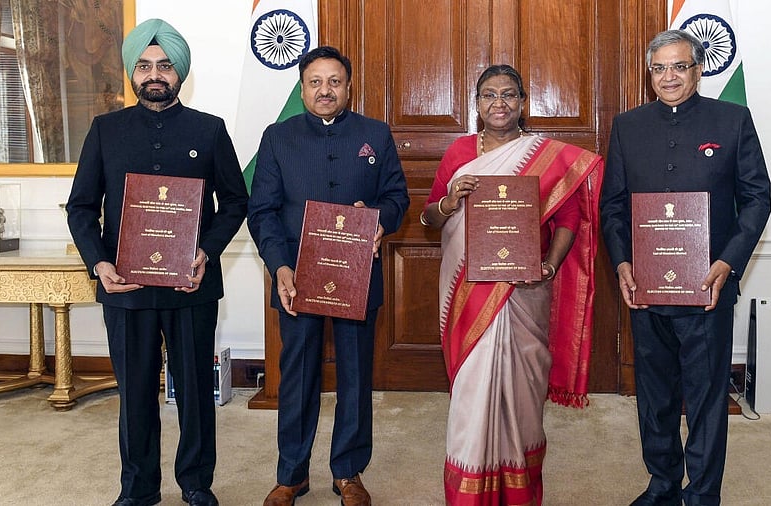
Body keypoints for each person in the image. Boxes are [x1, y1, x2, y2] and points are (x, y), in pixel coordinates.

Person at [66, 18, 248, 506]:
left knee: (194, 392)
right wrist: (99, 264)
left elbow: (234, 201)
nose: (154, 74)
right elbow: (82, 206)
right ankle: (138, 488)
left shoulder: (209, 131)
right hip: (125, 288)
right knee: (136, 396)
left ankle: (196, 484)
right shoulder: (105, 131)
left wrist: (206, 251)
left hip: (191, 287)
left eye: (164, 65)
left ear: (179, 72)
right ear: (131, 72)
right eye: (144, 65)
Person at [599, 30, 771, 506]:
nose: (669, 77)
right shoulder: (627, 126)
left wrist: (727, 262)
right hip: (645, 288)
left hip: (707, 289)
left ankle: (702, 493)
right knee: (653, 398)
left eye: (679, 66)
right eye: (659, 68)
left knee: (705, 400)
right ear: (649, 74)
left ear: (699, 69)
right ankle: (661, 485)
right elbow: (612, 206)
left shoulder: (732, 120)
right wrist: (622, 263)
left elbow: (757, 199)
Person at [422, 64, 603, 505]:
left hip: (525, 292)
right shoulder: (460, 153)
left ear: (522, 102)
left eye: (508, 95)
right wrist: (450, 199)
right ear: (477, 104)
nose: (498, 103)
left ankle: (519, 490)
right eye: (488, 95)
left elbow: (569, 219)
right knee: (471, 397)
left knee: (522, 400)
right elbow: (429, 217)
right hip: (468, 292)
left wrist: (550, 265)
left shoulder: (547, 155)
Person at [247, 46, 409, 506]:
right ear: (302, 88)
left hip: (358, 277)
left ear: (348, 87)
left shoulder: (375, 135)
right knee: (297, 376)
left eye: (334, 81)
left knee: (357, 375)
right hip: (297, 277)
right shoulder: (277, 137)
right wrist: (280, 266)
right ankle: (291, 474)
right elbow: (262, 212)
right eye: (315, 81)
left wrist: (377, 220)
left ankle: (349, 471)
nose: (325, 90)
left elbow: (398, 198)